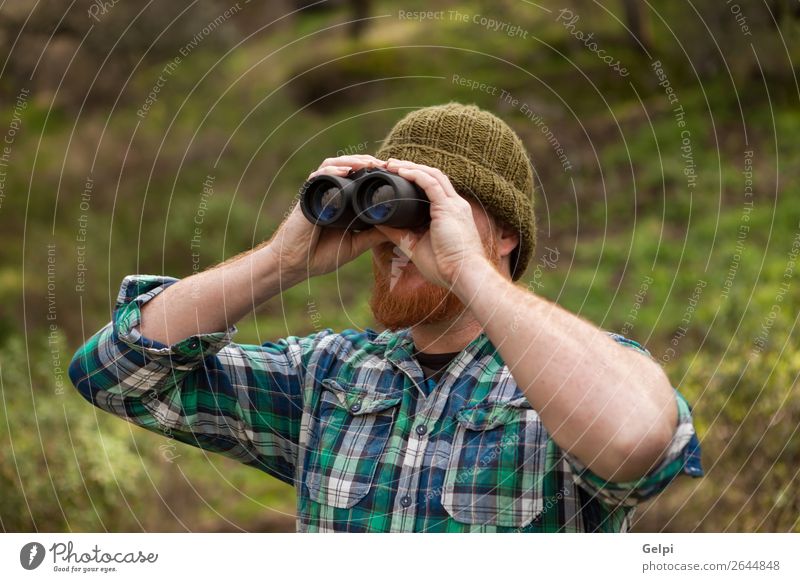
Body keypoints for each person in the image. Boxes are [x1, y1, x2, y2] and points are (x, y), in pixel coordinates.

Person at [68, 102, 703, 532]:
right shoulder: (329, 377)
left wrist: (467, 270)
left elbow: (634, 442)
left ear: (506, 235)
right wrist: (280, 263)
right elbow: (112, 372)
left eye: (431, 208)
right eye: (386, 206)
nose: (400, 237)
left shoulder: (570, 383)